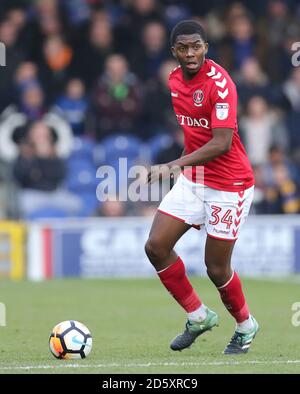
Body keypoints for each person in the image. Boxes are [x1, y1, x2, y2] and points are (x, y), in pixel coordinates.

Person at [145, 20, 259, 355]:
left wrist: (172, 165)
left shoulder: (221, 84)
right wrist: (182, 169)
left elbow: (221, 143)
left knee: (216, 268)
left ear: (206, 47)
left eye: (197, 45)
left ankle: (246, 325)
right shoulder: (174, 81)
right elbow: (194, 135)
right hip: (194, 180)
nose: (191, 52)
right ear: (174, 52)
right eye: (183, 47)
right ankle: (198, 316)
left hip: (229, 184)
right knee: (156, 246)